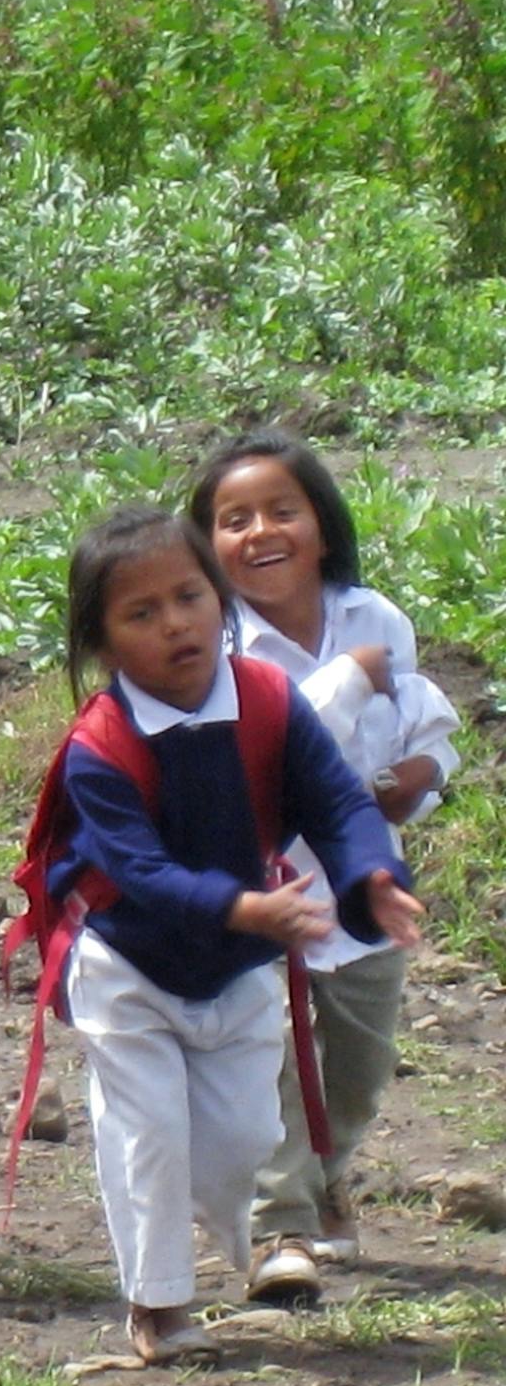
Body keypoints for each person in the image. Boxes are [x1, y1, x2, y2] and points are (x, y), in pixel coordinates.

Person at [34, 506, 421, 1365]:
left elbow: (337, 802)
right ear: (101, 645)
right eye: (143, 613)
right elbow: (139, 873)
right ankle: (159, 1304)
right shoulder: (98, 746)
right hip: (129, 964)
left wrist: (373, 877)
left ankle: (210, 1230)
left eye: (190, 597)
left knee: (246, 1139)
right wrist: (246, 908)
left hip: (237, 966)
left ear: (221, 602)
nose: (176, 623)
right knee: (150, 1138)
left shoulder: (271, 701)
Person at [188, 431, 459, 1304]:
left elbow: (421, 720)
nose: (260, 532)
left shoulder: (376, 619)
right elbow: (265, 742)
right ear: (207, 547)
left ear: (324, 529)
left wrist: (425, 778)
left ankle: (325, 1171)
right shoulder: (216, 646)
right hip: (267, 890)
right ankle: (284, 1229)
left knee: (358, 1066)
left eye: (281, 511)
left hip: (366, 887)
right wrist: (345, 678)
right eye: (234, 520)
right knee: (271, 1055)